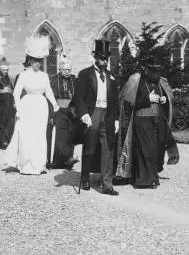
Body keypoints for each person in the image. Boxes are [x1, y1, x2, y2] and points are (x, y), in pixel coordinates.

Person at [116, 55, 179, 189]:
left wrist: (164, 101)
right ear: (146, 69)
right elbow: (128, 104)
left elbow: (169, 100)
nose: (156, 74)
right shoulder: (135, 81)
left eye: (158, 71)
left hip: (159, 118)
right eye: (153, 71)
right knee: (146, 149)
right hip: (142, 119)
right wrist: (147, 98)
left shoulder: (161, 82)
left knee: (158, 148)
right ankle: (146, 180)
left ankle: (152, 175)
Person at [70, 40, 120, 195]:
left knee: (108, 149)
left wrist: (116, 118)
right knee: (90, 148)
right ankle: (85, 178)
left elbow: (115, 99)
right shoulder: (85, 74)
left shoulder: (111, 76)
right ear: (95, 57)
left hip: (108, 115)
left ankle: (107, 185)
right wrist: (84, 114)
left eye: (106, 58)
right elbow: (78, 98)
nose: (104, 61)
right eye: (101, 58)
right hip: (93, 113)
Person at [4, 36, 58, 175]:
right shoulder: (23, 75)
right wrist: (18, 108)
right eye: (35, 61)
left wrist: (54, 104)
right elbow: (16, 93)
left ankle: (38, 164)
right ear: (30, 61)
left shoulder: (44, 76)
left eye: (40, 61)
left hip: (41, 106)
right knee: (26, 135)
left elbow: (49, 92)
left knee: (39, 135)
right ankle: (25, 165)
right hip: (27, 105)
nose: (38, 64)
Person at [46, 56, 78, 170]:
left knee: (70, 135)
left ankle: (68, 160)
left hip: (71, 111)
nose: (67, 72)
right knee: (60, 136)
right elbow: (50, 98)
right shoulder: (54, 79)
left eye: (69, 70)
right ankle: (58, 161)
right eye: (65, 70)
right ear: (60, 69)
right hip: (58, 110)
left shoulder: (74, 79)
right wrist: (51, 115)